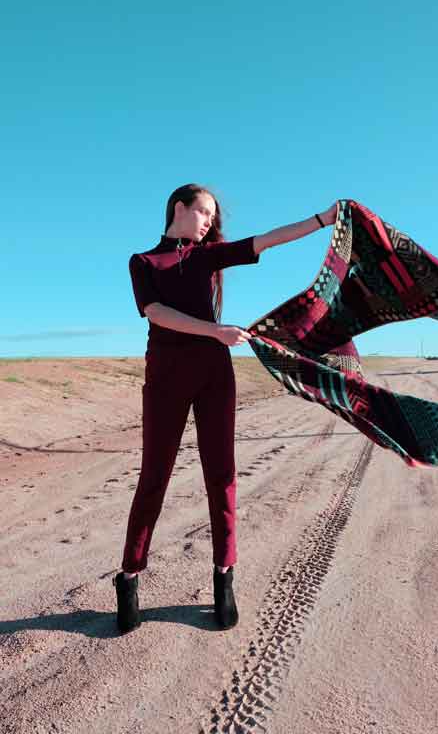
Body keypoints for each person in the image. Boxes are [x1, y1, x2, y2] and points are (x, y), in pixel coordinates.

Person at [113, 183, 337, 634]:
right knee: (153, 477)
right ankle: (130, 577)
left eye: (213, 217)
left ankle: (224, 576)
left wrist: (323, 219)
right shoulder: (144, 262)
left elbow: (268, 239)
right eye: (205, 213)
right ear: (179, 208)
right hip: (166, 380)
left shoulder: (206, 256)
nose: (210, 222)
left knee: (223, 476)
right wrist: (214, 332)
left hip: (215, 377)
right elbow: (157, 313)